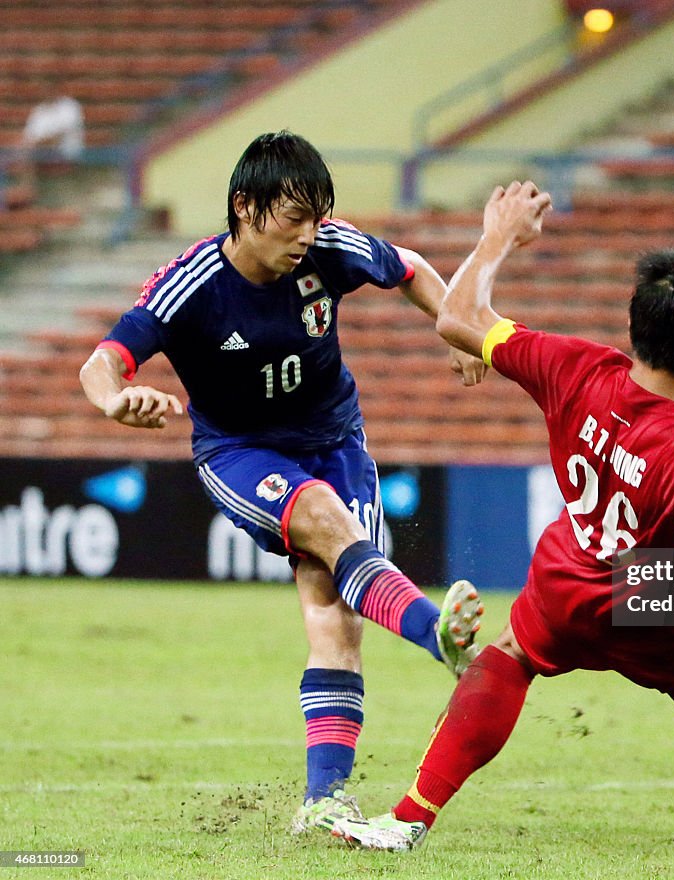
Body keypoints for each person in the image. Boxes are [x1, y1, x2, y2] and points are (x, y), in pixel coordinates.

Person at [334, 181, 674, 852]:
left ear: (633, 327)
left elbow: (456, 319)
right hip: (654, 605)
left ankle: (407, 818)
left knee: (509, 656)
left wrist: (498, 238)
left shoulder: (575, 365)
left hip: (569, 578)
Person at [78, 130, 485, 836]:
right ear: (245, 206)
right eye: (294, 217)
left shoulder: (331, 250)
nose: (308, 233)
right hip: (241, 452)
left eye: (317, 216)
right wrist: (115, 399)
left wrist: (455, 326)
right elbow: (103, 362)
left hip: (335, 439)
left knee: (336, 613)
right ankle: (433, 634)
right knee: (325, 517)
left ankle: (323, 799)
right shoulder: (192, 284)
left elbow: (409, 267)